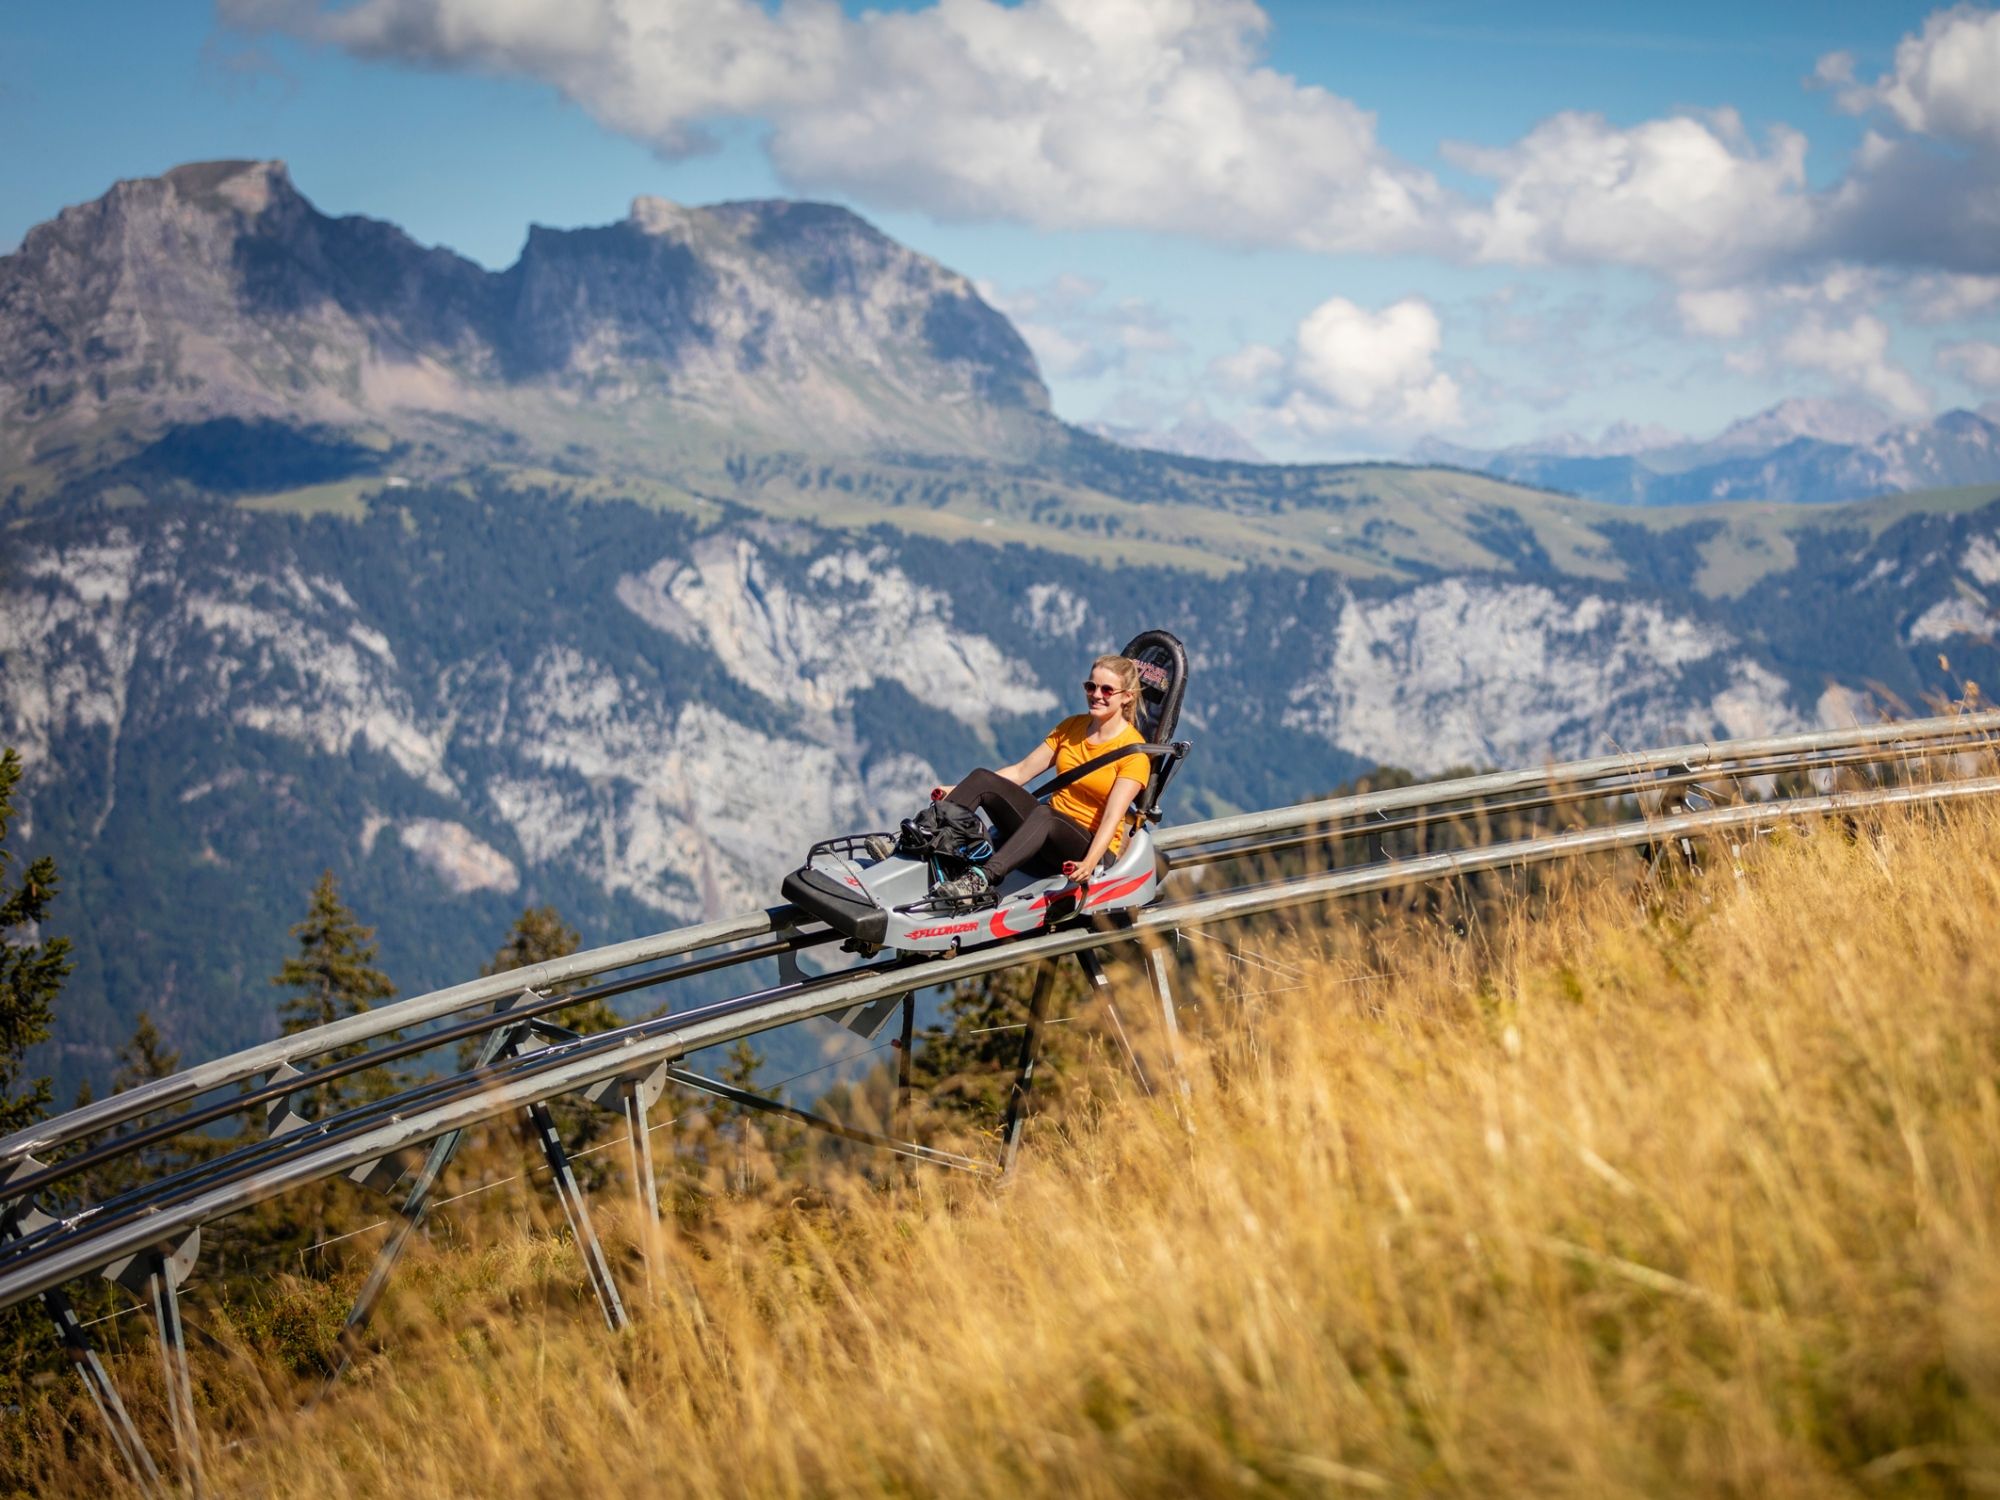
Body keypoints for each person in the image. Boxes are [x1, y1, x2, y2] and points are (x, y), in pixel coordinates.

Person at [927, 654, 1152, 903]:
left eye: (1107, 690)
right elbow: (1021, 772)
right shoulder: (1072, 727)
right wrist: (959, 788)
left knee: (1046, 815)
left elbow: (1112, 817)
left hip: (1088, 849)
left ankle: (979, 879)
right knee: (983, 778)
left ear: (1127, 696)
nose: (1096, 695)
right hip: (1044, 835)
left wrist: (1089, 863)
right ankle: (926, 838)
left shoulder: (1134, 754)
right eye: (1091, 686)